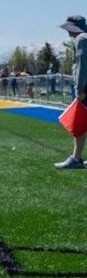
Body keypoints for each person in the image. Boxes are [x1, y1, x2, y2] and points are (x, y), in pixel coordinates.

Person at [55, 15, 87, 169]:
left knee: (79, 123)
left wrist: (80, 89)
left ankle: (76, 158)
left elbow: (82, 66)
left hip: (85, 89)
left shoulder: (81, 39)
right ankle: (76, 157)